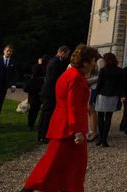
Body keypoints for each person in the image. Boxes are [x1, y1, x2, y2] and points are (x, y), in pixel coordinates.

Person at [21, 44, 98, 192]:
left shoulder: (70, 74)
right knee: (65, 166)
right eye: (93, 60)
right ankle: (30, 188)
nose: (94, 64)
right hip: (69, 130)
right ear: (86, 62)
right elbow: (73, 106)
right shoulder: (76, 78)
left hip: (63, 127)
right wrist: (77, 130)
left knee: (60, 165)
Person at [37, 46, 71, 143]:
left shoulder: (54, 61)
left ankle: (42, 134)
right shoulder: (56, 62)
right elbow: (55, 78)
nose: (67, 56)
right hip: (50, 92)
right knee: (47, 114)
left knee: (45, 113)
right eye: (67, 54)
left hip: (48, 91)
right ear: (62, 52)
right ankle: (43, 135)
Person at [94, 52, 123, 147]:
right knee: (108, 118)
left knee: (100, 117)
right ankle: (104, 140)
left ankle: (100, 139)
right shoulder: (119, 71)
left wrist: (95, 95)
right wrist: (120, 96)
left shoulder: (103, 70)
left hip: (102, 95)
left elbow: (99, 84)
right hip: (113, 95)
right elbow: (120, 85)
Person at [25, 55, 49, 131]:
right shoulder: (44, 68)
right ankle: (31, 124)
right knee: (35, 109)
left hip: (35, 90)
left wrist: (39, 64)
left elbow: (34, 73)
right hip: (37, 90)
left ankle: (30, 124)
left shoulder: (40, 67)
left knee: (34, 109)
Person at [86, 56, 104, 142]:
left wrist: (87, 80)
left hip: (94, 87)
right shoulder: (91, 61)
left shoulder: (100, 61)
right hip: (90, 87)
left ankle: (94, 132)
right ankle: (91, 130)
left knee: (91, 109)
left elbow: (101, 76)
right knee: (89, 110)